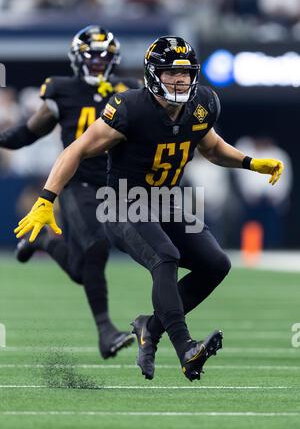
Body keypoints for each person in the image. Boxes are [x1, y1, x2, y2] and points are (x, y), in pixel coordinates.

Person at [13, 36, 284, 381]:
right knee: (165, 256)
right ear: (154, 74)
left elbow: (212, 147)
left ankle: (149, 328)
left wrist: (249, 162)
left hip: (166, 201)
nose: (180, 80)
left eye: (185, 73)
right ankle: (186, 347)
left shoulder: (203, 103)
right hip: (124, 201)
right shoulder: (129, 108)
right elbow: (75, 150)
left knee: (216, 264)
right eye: (171, 72)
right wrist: (45, 200)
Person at [1, 25, 141, 359]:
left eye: (102, 56)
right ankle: (106, 331)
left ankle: (44, 240)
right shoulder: (61, 90)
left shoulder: (129, 89)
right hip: (76, 181)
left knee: (82, 269)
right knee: (95, 246)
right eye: (90, 56)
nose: (96, 62)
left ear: (114, 59)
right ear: (77, 59)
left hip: (113, 183)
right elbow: (30, 132)